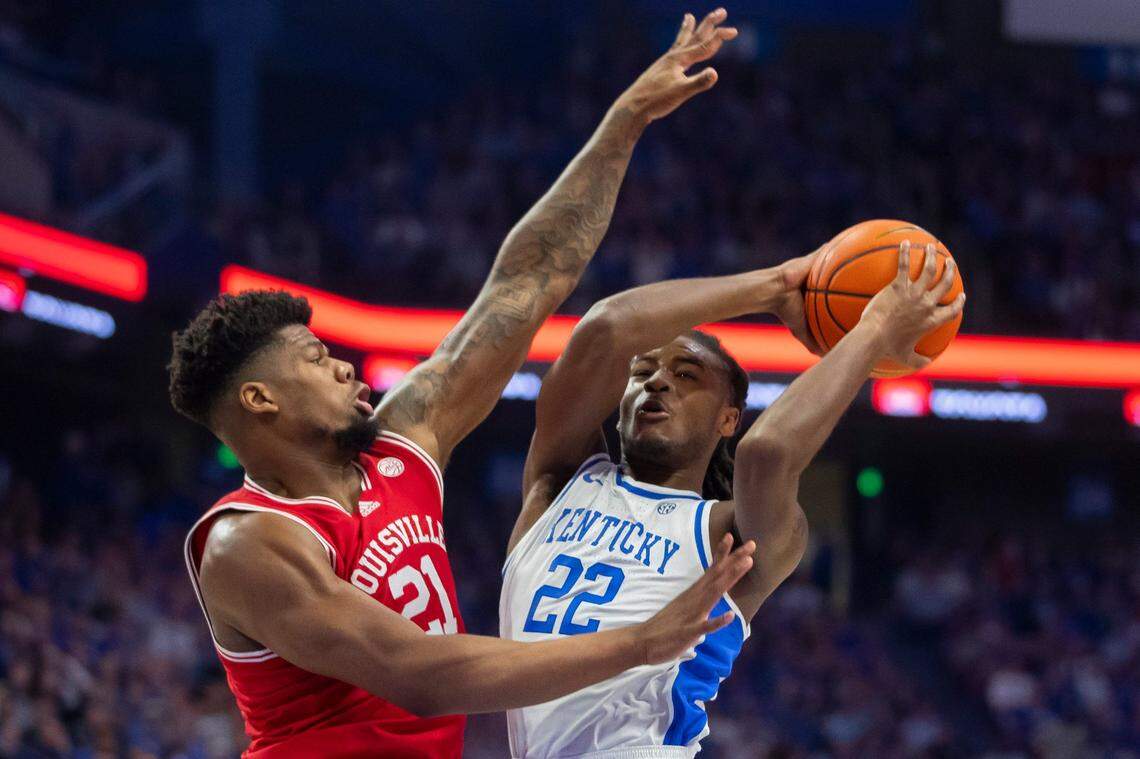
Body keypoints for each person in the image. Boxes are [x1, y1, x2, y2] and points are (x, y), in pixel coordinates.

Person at [167, 10, 744, 758]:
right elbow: (418, 671)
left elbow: (528, 280)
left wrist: (625, 121)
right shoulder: (249, 541)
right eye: (313, 357)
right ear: (259, 400)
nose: (342, 364)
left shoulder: (400, 444)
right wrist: (638, 643)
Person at [501, 240, 965, 757]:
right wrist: (777, 285)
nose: (657, 381)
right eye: (642, 371)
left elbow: (766, 452)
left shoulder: (726, 532)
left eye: (686, 375)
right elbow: (604, 329)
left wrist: (874, 330)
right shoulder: (559, 482)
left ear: (728, 419)